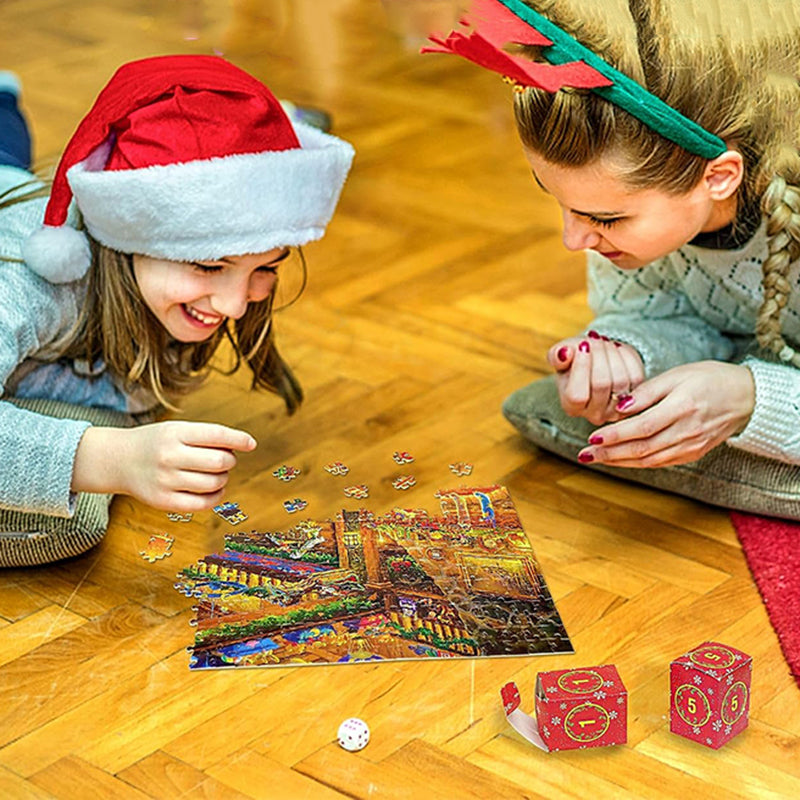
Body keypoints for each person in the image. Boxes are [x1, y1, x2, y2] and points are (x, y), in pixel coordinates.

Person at [425, 0, 800, 517]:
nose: (573, 239)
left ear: (719, 177)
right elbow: (661, 313)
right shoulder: (619, 216)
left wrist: (751, 397)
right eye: (558, 202)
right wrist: (627, 352)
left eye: (604, 219)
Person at [0, 55, 354, 560]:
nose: (234, 306)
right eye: (209, 267)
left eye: (266, 268)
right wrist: (111, 459)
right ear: (128, 238)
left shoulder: (146, 275)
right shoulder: (27, 277)